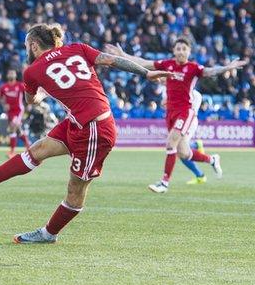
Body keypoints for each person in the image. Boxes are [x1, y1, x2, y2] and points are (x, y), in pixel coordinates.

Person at [0, 23, 170, 244]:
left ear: (34, 45)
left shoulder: (32, 71)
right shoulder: (77, 48)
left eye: (26, 46)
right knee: (38, 149)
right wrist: (146, 72)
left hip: (95, 128)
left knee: (75, 189)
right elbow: (111, 60)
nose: (26, 50)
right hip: (78, 121)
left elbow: (31, 100)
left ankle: (49, 234)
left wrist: (44, 92)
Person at [105, 39, 247, 193]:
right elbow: (144, 62)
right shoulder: (168, 64)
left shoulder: (193, 68)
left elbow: (210, 71)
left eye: (184, 48)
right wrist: (123, 55)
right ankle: (212, 159)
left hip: (185, 111)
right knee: (183, 153)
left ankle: (164, 183)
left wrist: (227, 67)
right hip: (171, 112)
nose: (181, 51)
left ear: (189, 51)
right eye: (178, 48)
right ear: (174, 50)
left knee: (170, 143)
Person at [0, 69, 30, 158]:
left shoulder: (20, 85)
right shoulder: (3, 87)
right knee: (18, 130)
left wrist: (28, 105)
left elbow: (27, 94)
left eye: (13, 73)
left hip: (18, 110)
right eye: (10, 73)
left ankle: (12, 152)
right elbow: (1, 98)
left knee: (13, 126)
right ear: (7, 75)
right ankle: (29, 146)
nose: (11, 74)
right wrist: (4, 105)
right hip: (10, 112)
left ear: (16, 75)